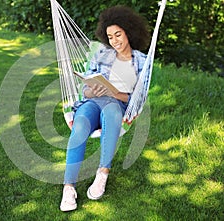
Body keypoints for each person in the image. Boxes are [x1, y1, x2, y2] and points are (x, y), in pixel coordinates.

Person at [60, 5, 150, 212]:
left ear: (129, 31)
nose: (114, 41)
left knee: (111, 112)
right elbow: (85, 89)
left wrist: (113, 93)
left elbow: (137, 97)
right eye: (110, 36)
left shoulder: (142, 61)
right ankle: (68, 187)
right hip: (92, 103)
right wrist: (92, 90)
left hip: (117, 105)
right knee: (80, 126)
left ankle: (102, 173)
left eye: (118, 34)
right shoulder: (101, 54)